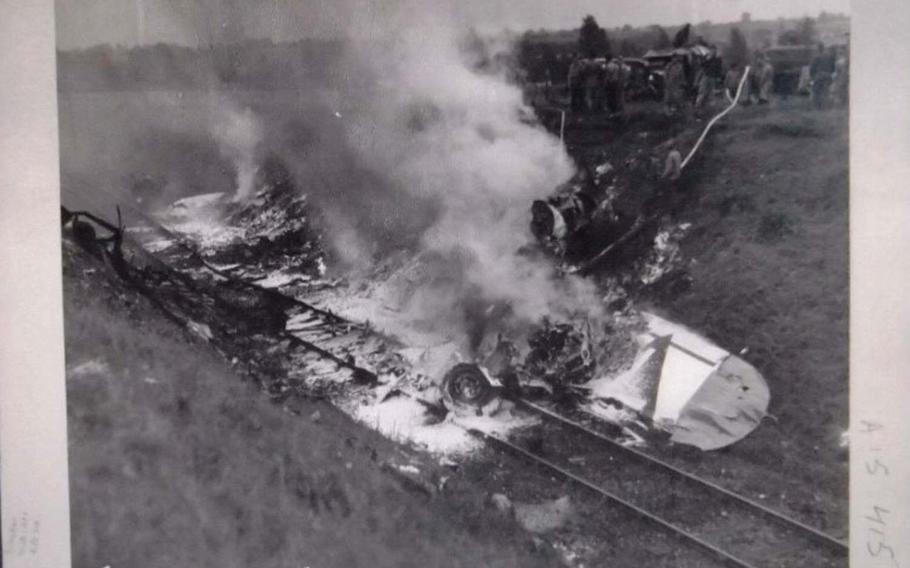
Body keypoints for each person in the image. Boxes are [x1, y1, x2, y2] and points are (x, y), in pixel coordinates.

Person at [810, 43, 835, 109]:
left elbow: (812, 68)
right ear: (823, 48)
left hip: (819, 76)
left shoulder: (816, 57)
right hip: (828, 75)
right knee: (826, 91)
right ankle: (826, 106)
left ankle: (817, 107)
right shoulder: (829, 56)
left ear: (818, 49)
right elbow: (833, 68)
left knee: (816, 91)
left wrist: (812, 77)